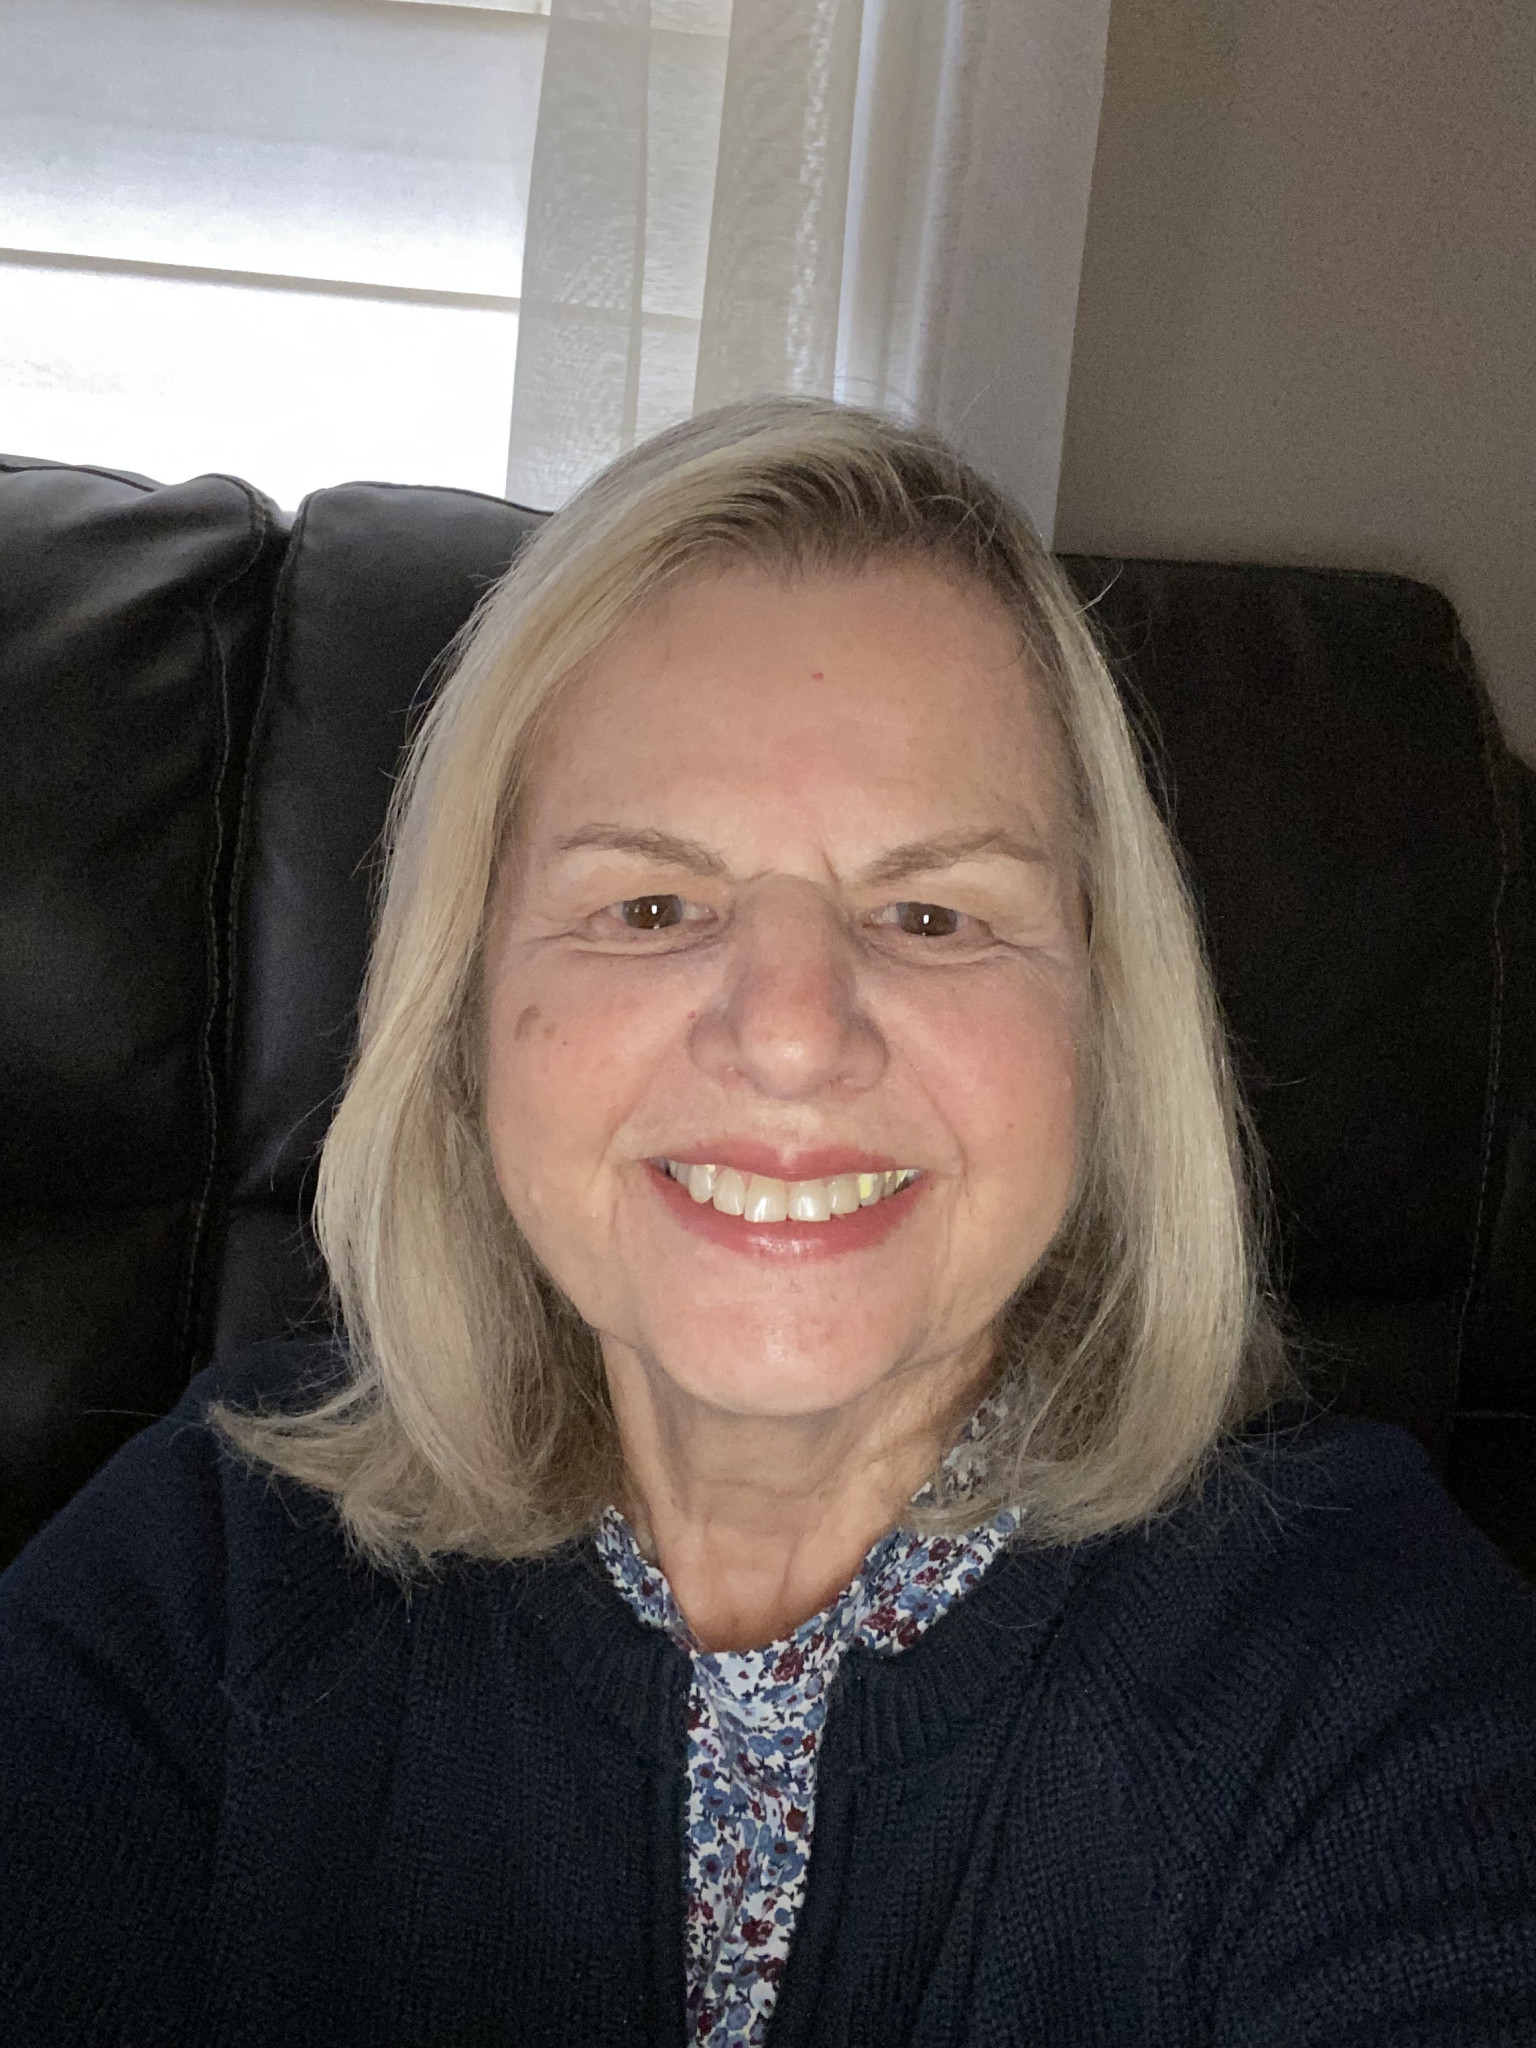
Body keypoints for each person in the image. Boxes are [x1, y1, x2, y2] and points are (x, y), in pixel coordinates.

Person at [2, 398, 1534, 2048]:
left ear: (1105, 1028)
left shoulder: (1363, 1662)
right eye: (652, 904)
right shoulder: (209, 1574)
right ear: (465, 1012)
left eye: (932, 913)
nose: (794, 1034)